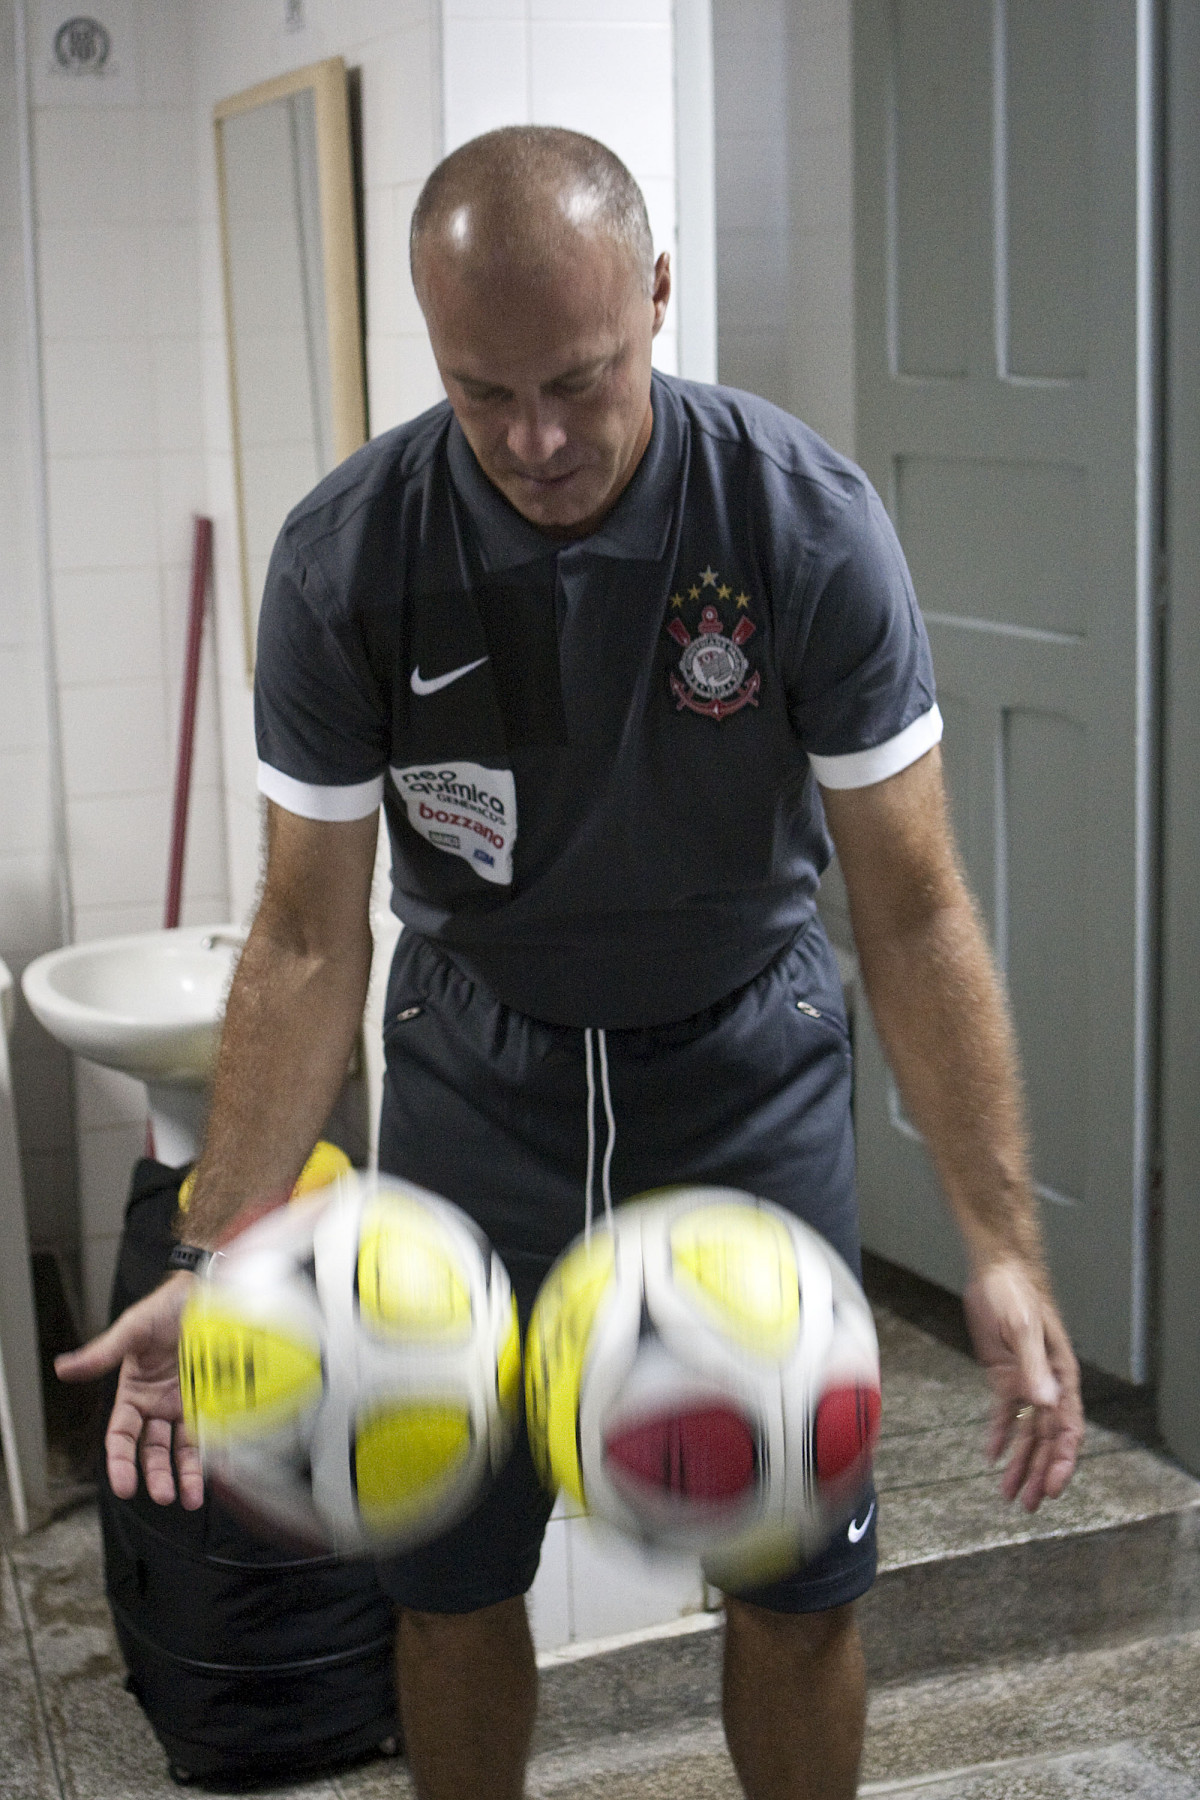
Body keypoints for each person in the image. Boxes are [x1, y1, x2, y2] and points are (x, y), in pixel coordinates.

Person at [58, 126, 1084, 1800]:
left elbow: (912, 909)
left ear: (659, 298)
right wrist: (212, 1235)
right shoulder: (348, 556)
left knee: (797, 1584)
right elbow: (310, 936)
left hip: (744, 1074)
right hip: (479, 1084)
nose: (535, 438)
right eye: (483, 392)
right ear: (431, 350)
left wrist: (1002, 1242)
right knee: (448, 1586)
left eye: (581, 381)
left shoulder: (801, 522)